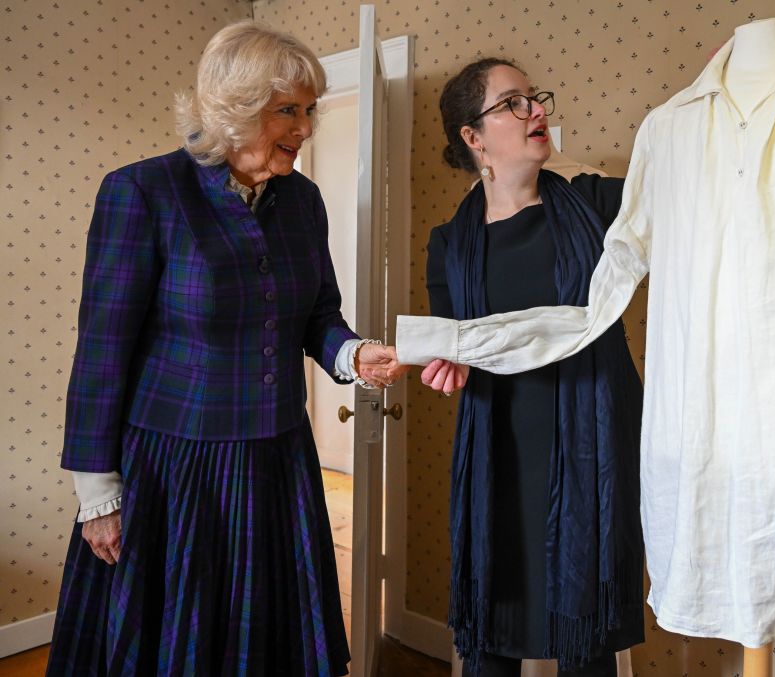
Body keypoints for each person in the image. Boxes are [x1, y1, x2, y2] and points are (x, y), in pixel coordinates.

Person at [47, 21, 404, 676]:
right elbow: (102, 350)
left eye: (309, 109)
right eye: (287, 111)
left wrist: (353, 354)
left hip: (277, 457)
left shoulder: (303, 201)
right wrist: (96, 489)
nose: (304, 127)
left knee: (265, 641)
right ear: (235, 109)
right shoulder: (144, 192)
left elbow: (318, 314)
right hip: (175, 466)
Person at [419, 58, 645, 677]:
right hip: (500, 452)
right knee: (495, 619)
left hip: (590, 445)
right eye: (513, 103)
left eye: (535, 98)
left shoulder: (599, 205)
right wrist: (445, 366)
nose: (538, 111)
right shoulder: (450, 246)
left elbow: (691, 184)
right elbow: (456, 348)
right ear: (473, 137)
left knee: (586, 630)